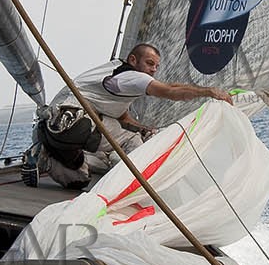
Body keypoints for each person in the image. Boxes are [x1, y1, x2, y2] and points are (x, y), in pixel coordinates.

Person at [29, 43, 233, 189]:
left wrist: (144, 129)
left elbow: (122, 118)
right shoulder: (130, 77)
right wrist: (208, 92)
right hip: (74, 122)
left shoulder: (113, 75)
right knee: (132, 140)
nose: (153, 70)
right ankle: (134, 187)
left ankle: (44, 157)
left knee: (79, 179)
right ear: (133, 60)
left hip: (54, 125)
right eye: (150, 63)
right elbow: (170, 91)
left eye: (156, 66)